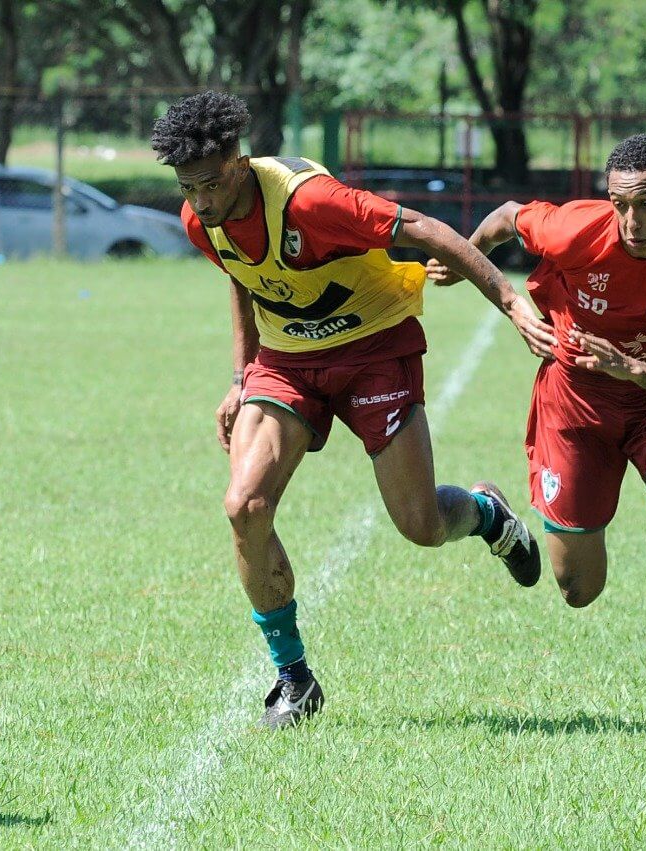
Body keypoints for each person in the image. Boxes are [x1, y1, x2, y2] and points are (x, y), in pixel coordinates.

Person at [150, 91, 555, 729]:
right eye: (186, 186)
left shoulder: (312, 203)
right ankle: (293, 677)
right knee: (243, 506)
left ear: (240, 161)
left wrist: (511, 302)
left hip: (375, 348)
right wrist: (239, 375)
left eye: (208, 183)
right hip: (288, 362)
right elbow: (242, 274)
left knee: (420, 525)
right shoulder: (201, 218)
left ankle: (484, 514)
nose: (198, 201)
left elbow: (425, 229)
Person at [427, 133, 646, 750]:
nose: (631, 222)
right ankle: (491, 517)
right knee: (578, 590)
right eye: (620, 204)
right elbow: (507, 217)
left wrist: (632, 369)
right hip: (573, 405)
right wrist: (465, 256)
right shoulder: (575, 230)